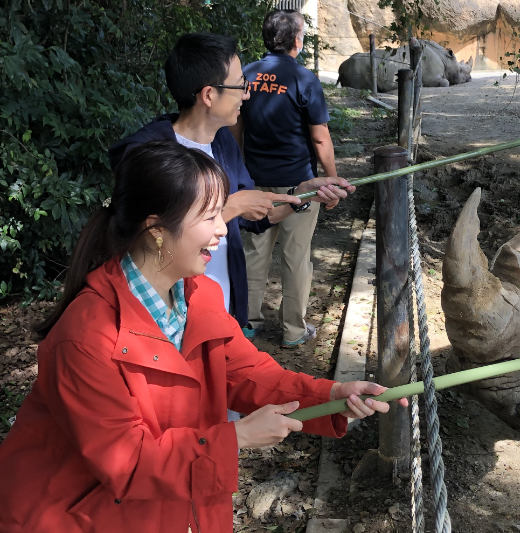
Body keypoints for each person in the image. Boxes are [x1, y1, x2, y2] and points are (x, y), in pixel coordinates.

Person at [0, 142, 404, 533]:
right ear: (157, 230)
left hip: (169, 505)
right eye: (210, 217)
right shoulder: (86, 336)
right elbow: (129, 461)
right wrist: (236, 438)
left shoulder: (197, 295)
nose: (222, 232)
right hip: (83, 515)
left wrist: (334, 395)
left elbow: (248, 374)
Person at [109, 32, 348, 339]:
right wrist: (231, 206)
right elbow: (151, 236)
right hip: (162, 319)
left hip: (217, 308)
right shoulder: (149, 152)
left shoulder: (223, 142)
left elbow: (259, 217)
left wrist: (302, 193)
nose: (247, 96)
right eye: (240, 86)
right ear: (209, 95)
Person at [230, 10, 337, 348]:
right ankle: (293, 331)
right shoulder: (304, 79)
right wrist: (331, 181)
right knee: (295, 257)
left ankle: (247, 322)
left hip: (255, 184)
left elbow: (235, 130)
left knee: (253, 255)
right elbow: (320, 138)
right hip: (299, 187)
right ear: (295, 40)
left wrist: (240, 175)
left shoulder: (245, 75)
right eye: (302, 33)